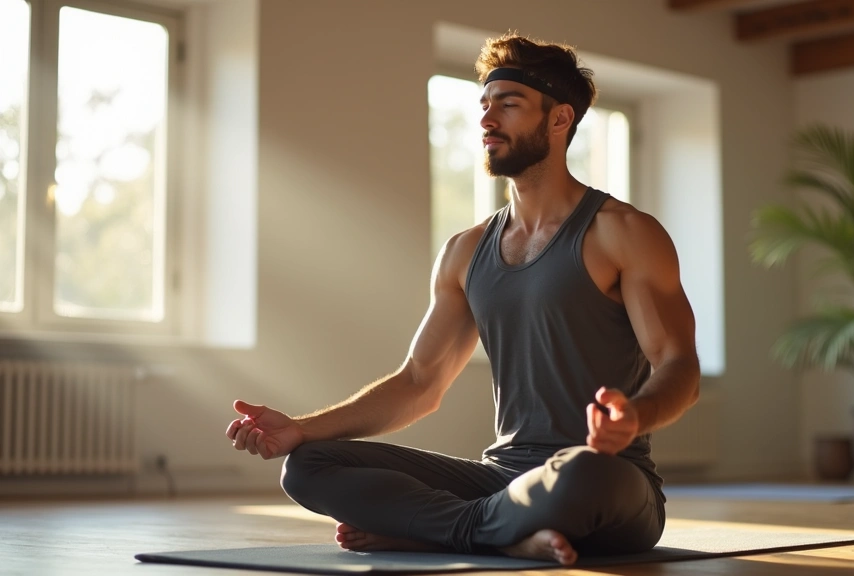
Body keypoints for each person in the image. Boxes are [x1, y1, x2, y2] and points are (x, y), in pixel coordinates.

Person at [225, 33, 700, 566]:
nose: (486, 119)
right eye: (484, 105)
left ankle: (440, 529)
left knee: (578, 472)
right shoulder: (465, 251)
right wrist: (300, 429)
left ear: (560, 119)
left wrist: (634, 416)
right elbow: (419, 383)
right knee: (309, 465)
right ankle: (499, 533)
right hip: (500, 481)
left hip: (607, 482)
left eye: (509, 104)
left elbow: (678, 364)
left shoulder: (624, 232)